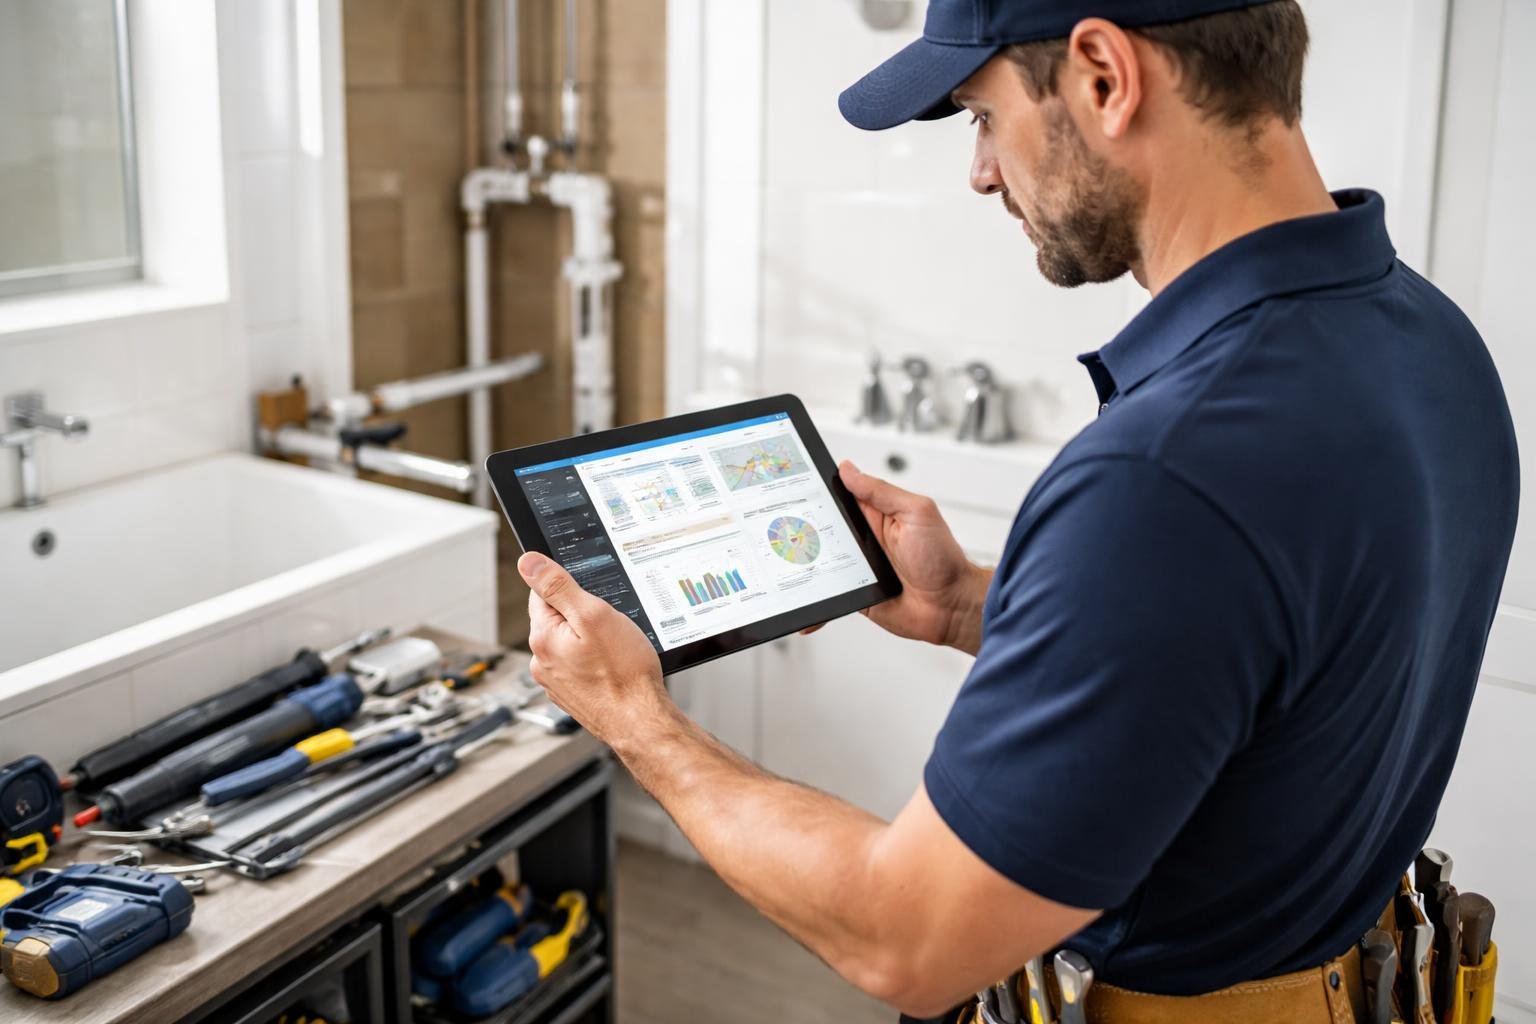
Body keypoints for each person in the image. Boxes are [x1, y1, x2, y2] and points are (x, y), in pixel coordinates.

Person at [515, 1, 1519, 1020]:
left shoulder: (1164, 476)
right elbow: (1261, 663)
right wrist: (967, 607)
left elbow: (904, 935)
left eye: (981, 116)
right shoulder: (1430, 342)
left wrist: (637, 720)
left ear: (1102, 75)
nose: (982, 172)